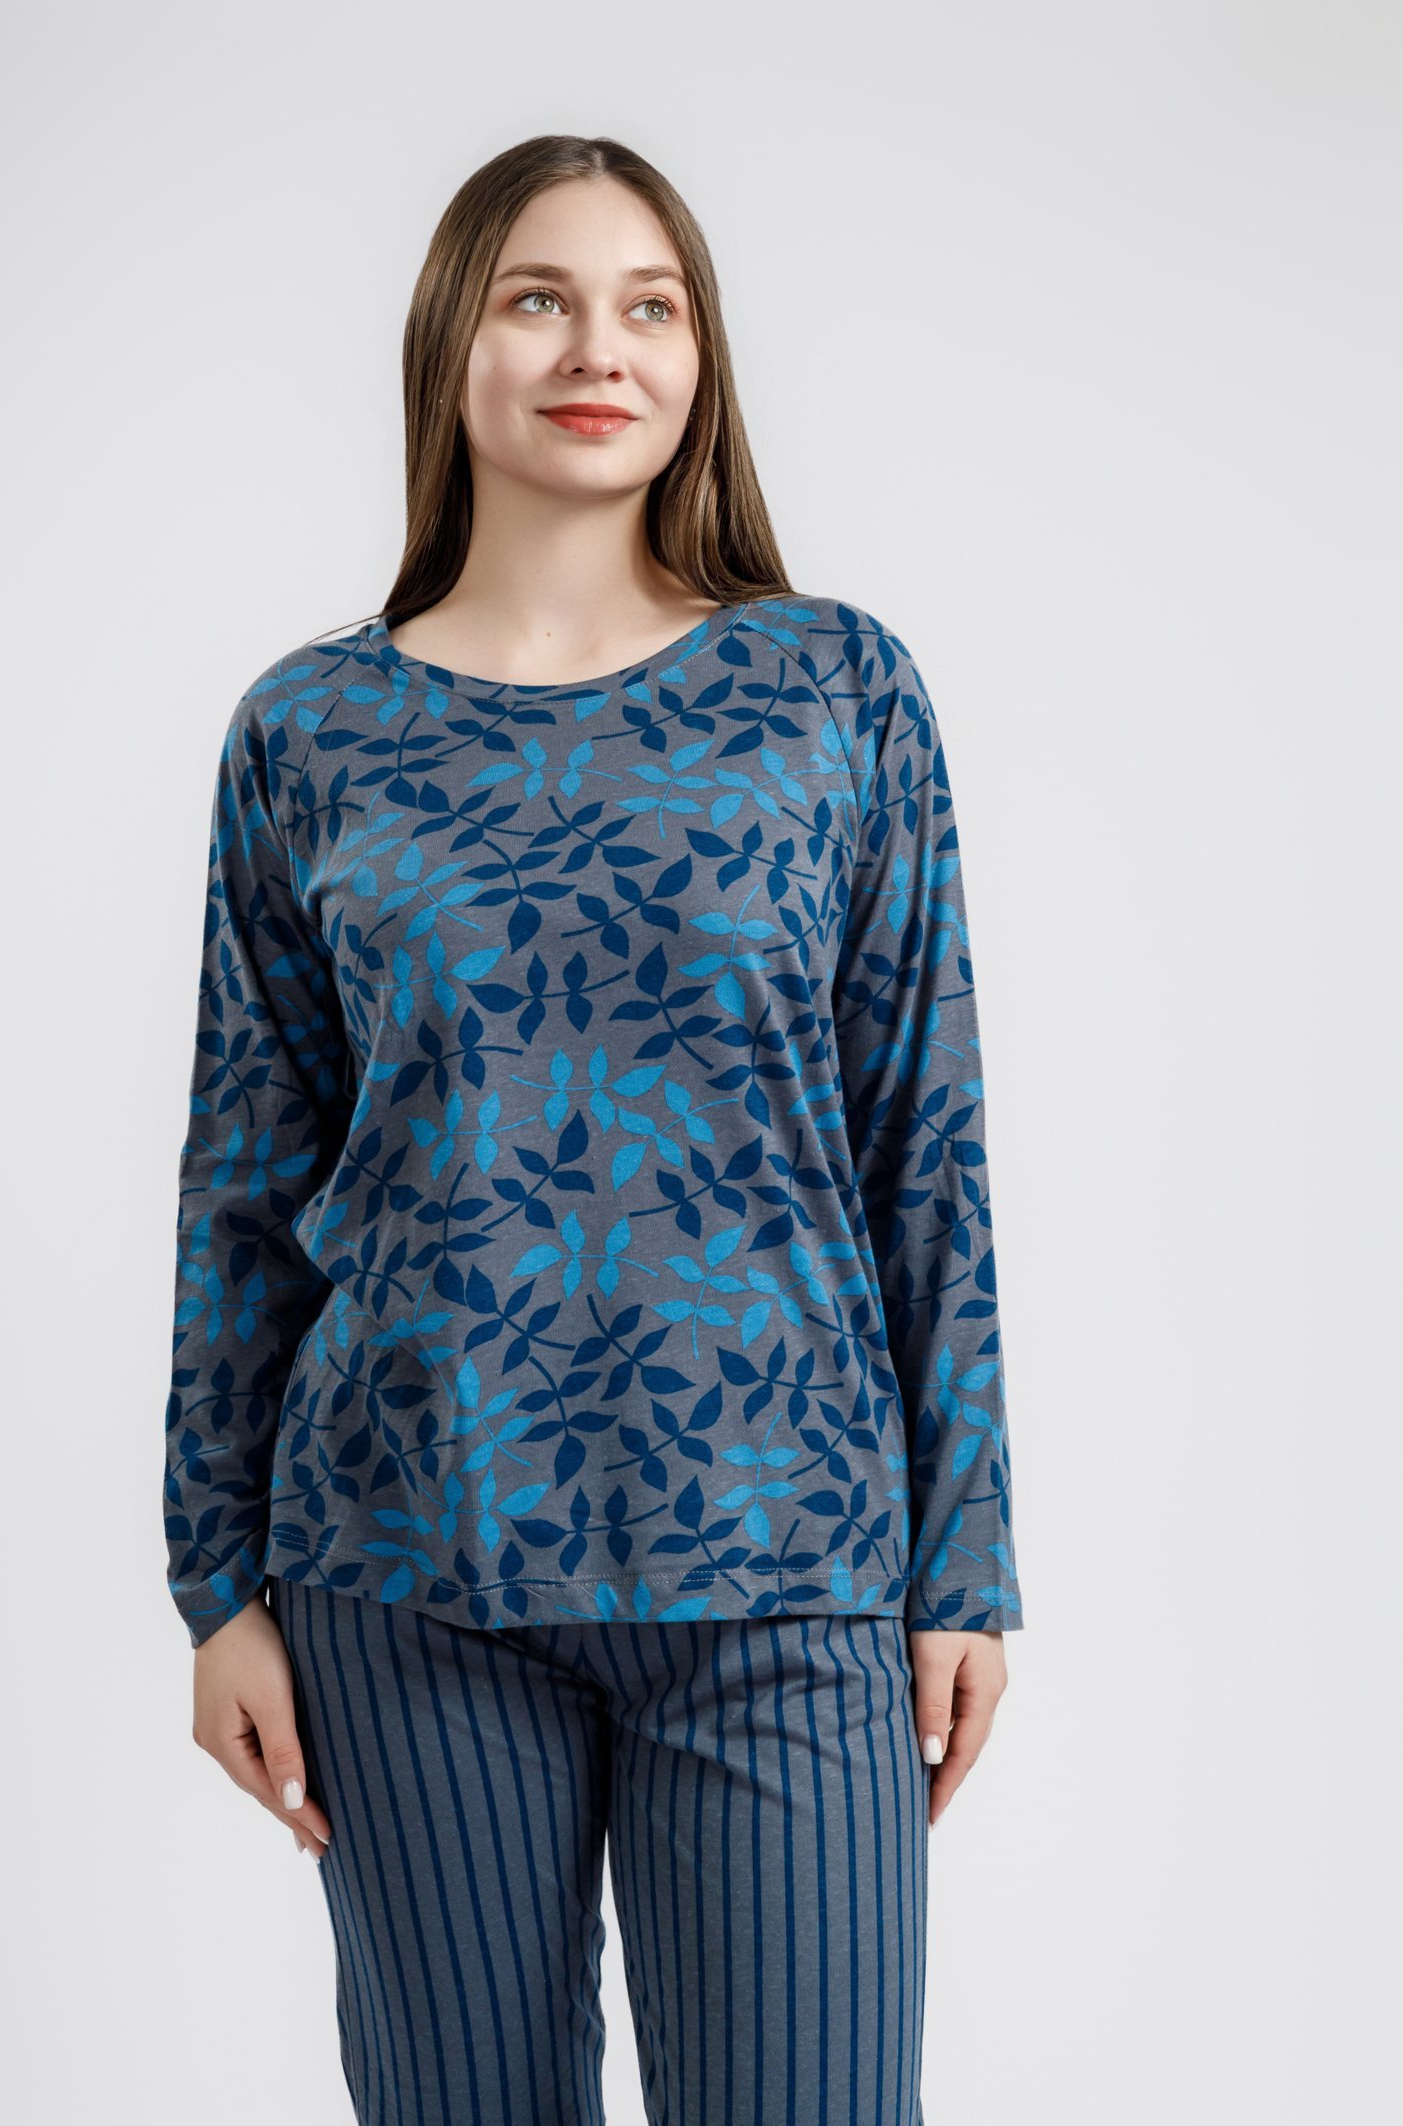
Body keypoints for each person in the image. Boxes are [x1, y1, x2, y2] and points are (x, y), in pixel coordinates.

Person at [162, 132, 1024, 2125]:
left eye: (652, 305)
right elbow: (242, 1175)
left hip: (782, 1557)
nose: (597, 348)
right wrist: (217, 1583)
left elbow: (925, 1138)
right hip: (405, 1565)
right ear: (446, 340)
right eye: (537, 297)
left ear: (701, 359)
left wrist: (964, 1561)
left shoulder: (833, 695)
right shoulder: (308, 732)